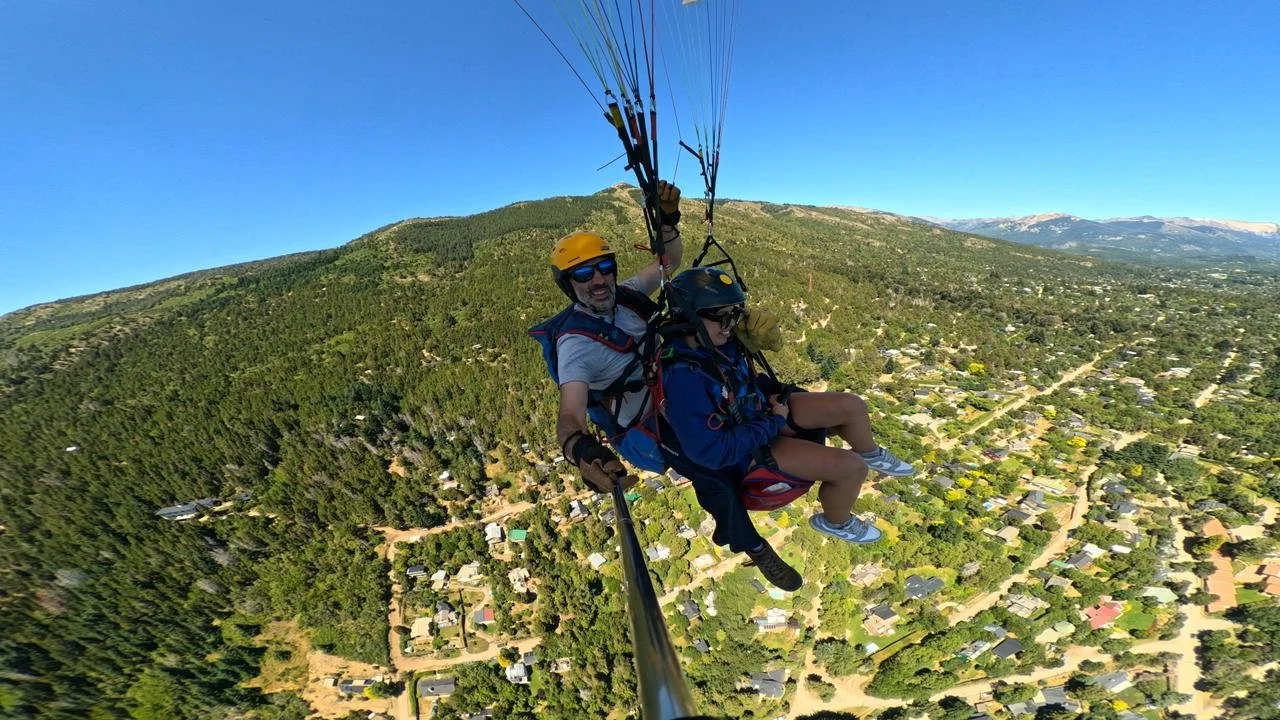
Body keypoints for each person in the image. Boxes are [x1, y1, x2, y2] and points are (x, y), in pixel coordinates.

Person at [657, 267, 915, 589]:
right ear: (689, 318)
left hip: (759, 411)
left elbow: (741, 374)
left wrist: (754, 348)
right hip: (747, 449)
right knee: (851, 469)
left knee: (852, 406)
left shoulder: (721, 342)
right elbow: (711, 452)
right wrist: (774, 422)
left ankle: (872, 451)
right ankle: (836, 522)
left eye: (736, 314)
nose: (731, 324)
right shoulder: (684, 378)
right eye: (720, 317)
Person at [528, 181, 684, 495]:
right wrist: (583, 451)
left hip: (680, 388)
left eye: (604, 268)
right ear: (568, 285)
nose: (598, 280)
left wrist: (667, 221)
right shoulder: (575, 345)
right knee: (714, 471)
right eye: (584, 275)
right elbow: (570, 414)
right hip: (658, 423)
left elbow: (668, 263)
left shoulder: (626, 295)